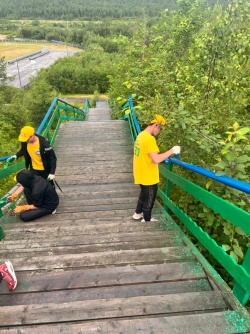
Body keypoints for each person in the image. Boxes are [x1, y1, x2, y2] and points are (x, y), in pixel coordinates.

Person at [133, 114, 181, 222]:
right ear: (155, 125)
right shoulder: (149, 139)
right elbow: (156, 159)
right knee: (150, 197)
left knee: (143, 194)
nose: (160, 132)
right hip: (148, 174)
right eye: (160, 129)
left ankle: (137, 213)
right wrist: (172, 151)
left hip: (140, 172)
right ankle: (147, 219)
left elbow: (148, 155)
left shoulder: (141, 135)